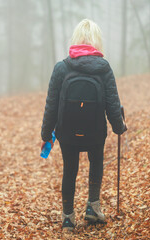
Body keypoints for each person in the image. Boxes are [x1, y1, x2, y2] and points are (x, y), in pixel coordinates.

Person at [40, 19, 127, 231]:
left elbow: (51, 104)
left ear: (76, 39)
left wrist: (45, 133)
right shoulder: (104, 69)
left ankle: (68, 218)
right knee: (96, 163)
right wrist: (119, 126)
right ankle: (93, 207)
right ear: (97, 41)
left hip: (67, 133)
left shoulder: (62, 68)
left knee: (70, 170)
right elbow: (112, 103)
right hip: (95, 132)